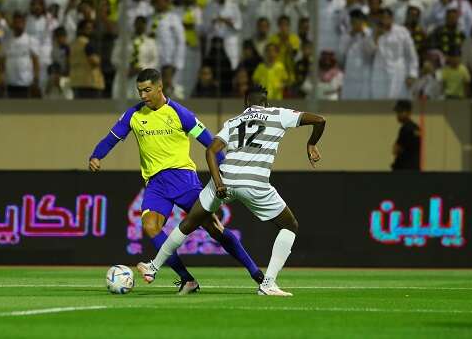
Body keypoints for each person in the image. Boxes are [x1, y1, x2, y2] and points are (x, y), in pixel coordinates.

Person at [137, 84, 326, 296]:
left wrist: (218, 184)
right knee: (290, 225)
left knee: (189, 222)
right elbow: (319, 120)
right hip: (254, 183)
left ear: (246, 103)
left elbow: (211, 150)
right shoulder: (278, 114)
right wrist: (311, 143)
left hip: (224, 177)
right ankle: (268, 283)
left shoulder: (233, 121)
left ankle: (153, 267)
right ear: (266, 103)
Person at [89, 68, 264, 294]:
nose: (142, 95)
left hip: (184, 180)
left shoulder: (180, 113)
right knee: (150, 226)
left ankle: (258, 275)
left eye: (147, 90)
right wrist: (96, 155)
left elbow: (211, 143)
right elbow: (111, 138)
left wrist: (224, 171)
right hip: (155, 185)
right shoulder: (133, 115)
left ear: (160, 87)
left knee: (214, 229)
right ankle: (187, 280)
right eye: (139, 91)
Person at [392, 100, 421, 171]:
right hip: (415, 168)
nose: (397, 115)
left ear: (408, 112)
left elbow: (395, 150)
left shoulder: (405, 129)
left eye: (400, 111)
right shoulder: (417, 128)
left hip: (403, 169)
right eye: (397, 112)